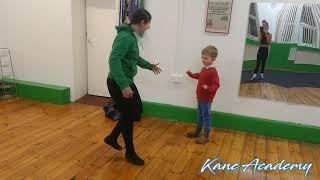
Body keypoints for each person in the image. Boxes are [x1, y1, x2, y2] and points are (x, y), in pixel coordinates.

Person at [104, 8, 161, 166]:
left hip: (125, 81)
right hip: (118, 82)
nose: (148, 27)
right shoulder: (125, 37)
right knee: (129, 115)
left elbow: (134, 57)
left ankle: (112, 137)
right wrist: (123, 85)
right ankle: (130, 153)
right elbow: (113, 61)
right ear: (142, 22)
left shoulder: (130, 36)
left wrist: (150, 66)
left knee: (136, 110)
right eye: (148, 24)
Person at [186, 46, 220, 144]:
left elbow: (216, 84)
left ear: (213, 59)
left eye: (206, 58)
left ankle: (206, 135)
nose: (203, 60)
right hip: (200, 97)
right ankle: (197, 131)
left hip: (206, 99)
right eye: (202, 58)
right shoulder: (204, 69)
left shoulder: (213, 71)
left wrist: (208, 88)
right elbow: (200, 76)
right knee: (200, 115)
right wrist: (191, 74)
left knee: (206, 116)